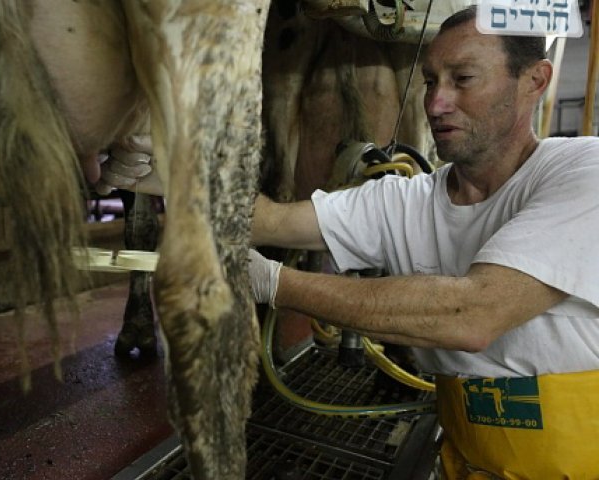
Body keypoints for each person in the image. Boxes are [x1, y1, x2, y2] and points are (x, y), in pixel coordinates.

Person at [98, 6, 599, 478]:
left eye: (463, 79)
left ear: (535, 81)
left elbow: (471, 316)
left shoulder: (583, 172)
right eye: (429, 81)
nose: (435, 102)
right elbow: (272, 220)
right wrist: (180, 178)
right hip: (467, 459)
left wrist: (272, 281)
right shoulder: (407, 200)